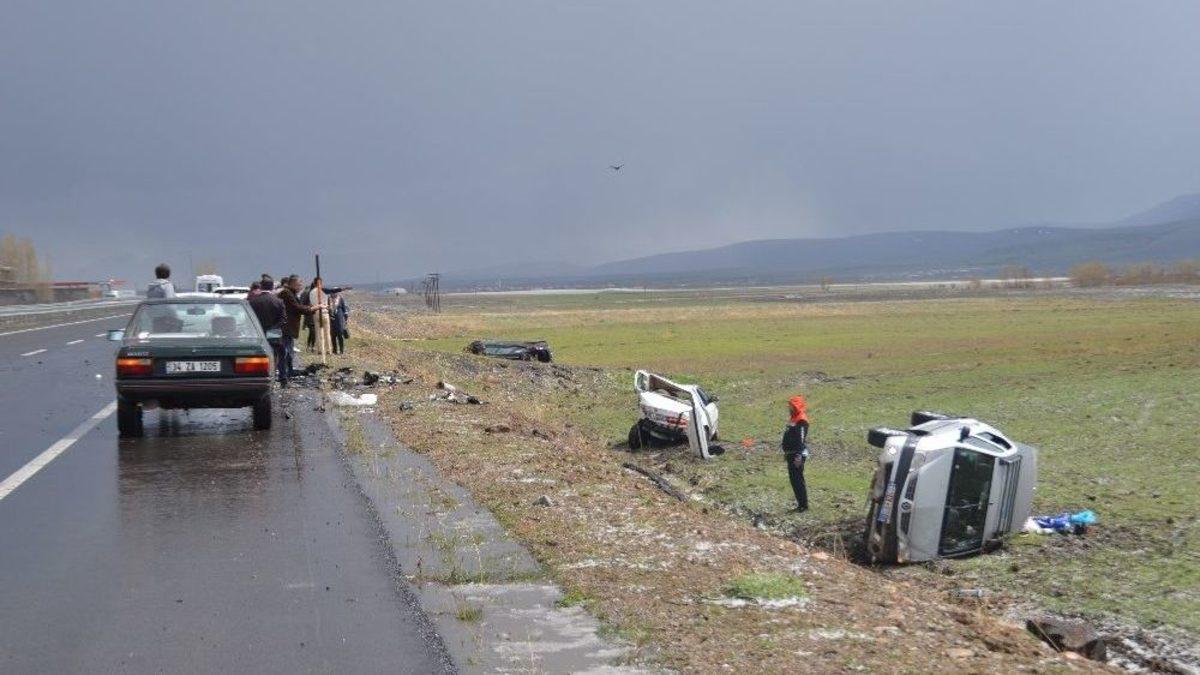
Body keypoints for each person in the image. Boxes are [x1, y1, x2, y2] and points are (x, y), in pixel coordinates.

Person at [278, 275, 316, 385]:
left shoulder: (291, 293)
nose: (301, 287)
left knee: (289, 352)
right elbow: (297, 308)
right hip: (286, 328)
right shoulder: (287, 293)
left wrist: (310, 308)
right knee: (285, 352)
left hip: (289, 328)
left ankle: (288, 372)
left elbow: (299, 306)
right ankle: (284, 374)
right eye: (299, 284)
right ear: (293, 284)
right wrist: (312, 308)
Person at [247, 277, 286, 382]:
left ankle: (259, 374)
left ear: (261, 286)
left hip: (258, 332)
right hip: (274, 331)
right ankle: (282, 376)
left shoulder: (253, 302)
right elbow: (283, 319)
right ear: (272, 287)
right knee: (280, 353)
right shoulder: (278, 301)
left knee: (259, 353)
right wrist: (274, 328)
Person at [781, 394, 810, 512]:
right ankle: (800, 504)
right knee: (794, 480)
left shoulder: (801, 420)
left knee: (797, 480)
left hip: (797, 455)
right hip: (791, 454)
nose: (789, 408)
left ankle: (803, 505)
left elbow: (800, 439)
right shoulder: (794, 418)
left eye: (791, 406)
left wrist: (798, 455)